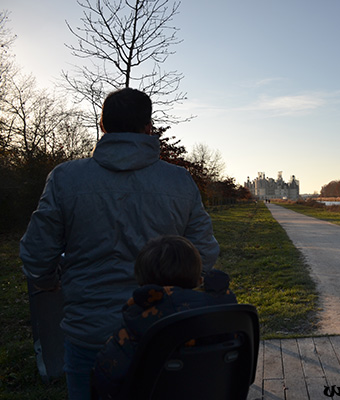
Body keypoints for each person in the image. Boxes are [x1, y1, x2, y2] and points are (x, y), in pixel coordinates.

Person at [20, 88, 220, 399]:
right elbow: (204, 251)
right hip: (161, 331)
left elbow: (37, 254)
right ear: (148, 128)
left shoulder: (65, 178)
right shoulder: (179, 181)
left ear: (102, 125)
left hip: (88, 333)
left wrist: (48, 282)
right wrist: (178, 290)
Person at [93, 235, 237, 399]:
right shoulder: (226, 313)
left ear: (143, 284)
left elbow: (106, 378)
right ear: (198, 277)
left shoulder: (137, 322)